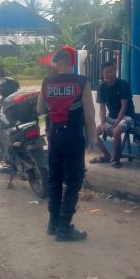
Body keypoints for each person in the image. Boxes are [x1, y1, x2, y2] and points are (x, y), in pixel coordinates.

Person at [37, 46, 97, 242]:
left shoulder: (47, 82)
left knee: (54, 179)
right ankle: (64, 228)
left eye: (56, 63)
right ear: (70, 63)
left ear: (60, 62)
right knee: (73, 181)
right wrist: (93, 140)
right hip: (73, 137)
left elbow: (39, 109)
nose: (55, 66)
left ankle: (53, 224)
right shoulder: (81, 82)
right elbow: (89, 114)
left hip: (53, 137)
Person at [90, 60, 135, 168]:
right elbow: (102, 107)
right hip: (112, 116)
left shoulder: (123, 84)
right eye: (107, 72)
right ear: (102, 74)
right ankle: (106, 155)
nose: (109, 74)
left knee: (116, 131)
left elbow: (124, 107)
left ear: (115, 71)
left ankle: (115, 158)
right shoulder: (102, 86)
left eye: (111, 71)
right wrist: (102, 123)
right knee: (93, 133)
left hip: (127, 116)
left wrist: (115, 125)